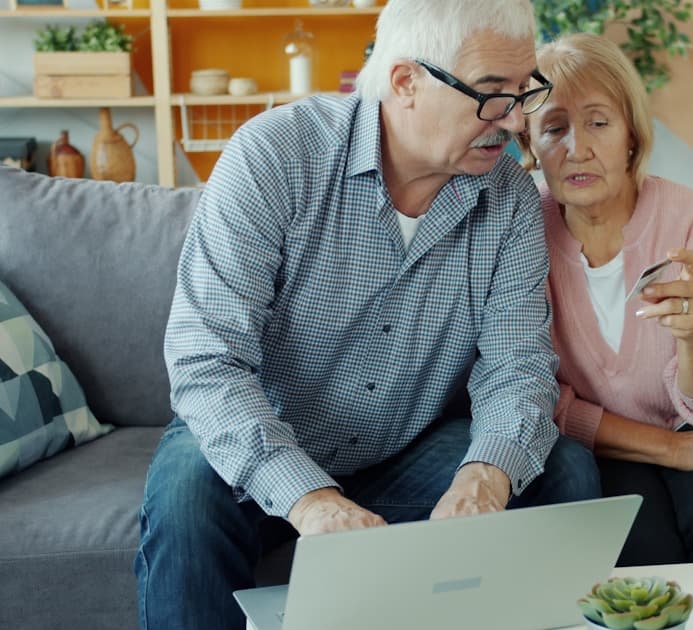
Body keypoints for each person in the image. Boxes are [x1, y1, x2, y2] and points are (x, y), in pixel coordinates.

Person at [134, 2, 602, 628]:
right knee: (187, 495)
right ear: (406, 82)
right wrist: (311, 498)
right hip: (267, 441)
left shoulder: (510, 200)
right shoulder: (274, 157)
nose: (515, 119)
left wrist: (485, 477)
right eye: (492, 95)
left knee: (562, 470)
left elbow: (517, 367)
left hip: (406, 451)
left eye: (524, 91)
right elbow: (207, 362)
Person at [516, 33, 693, 566]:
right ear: (529, 147)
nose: (578, 149)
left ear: (632, 135)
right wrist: (672, 451)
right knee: (639, 551)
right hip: (604, 440)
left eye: (598, 122)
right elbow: (535, 396)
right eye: (554, 128)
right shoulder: (520, 231)